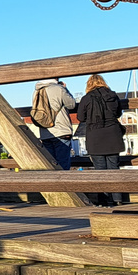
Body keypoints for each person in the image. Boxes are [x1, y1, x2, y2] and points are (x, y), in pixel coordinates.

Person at [76, 74, 125, 206]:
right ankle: (117, 199)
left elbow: (80, 117)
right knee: (114, 168)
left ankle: (103, 200)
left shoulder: (87, 98)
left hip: (95, 136)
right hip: (113, 135)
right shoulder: (113, 95)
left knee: (100, 170)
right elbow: (119, 113)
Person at [30, 77, 77, 169]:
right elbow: (71, 105)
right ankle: (62, 183)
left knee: (50, 165)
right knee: (63, 164)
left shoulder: (37, 91)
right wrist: (64, 88)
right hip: (61, 130)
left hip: (45, 132)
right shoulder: (58, 88)